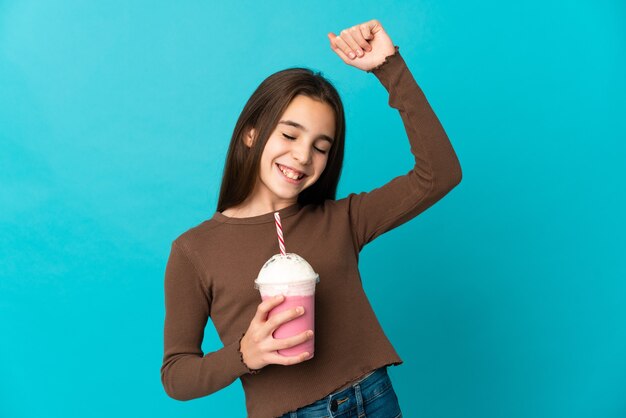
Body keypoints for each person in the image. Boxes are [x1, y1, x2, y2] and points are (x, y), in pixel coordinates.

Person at [161, 19, 462, 418]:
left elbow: (439, 173)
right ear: (251, 134)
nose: (303, 156)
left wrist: (388, 67)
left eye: (321, 147)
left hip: (375, 399)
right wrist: (243, 355)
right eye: (289, 135)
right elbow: (176, 375)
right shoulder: (194, 250)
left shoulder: (341, 220)